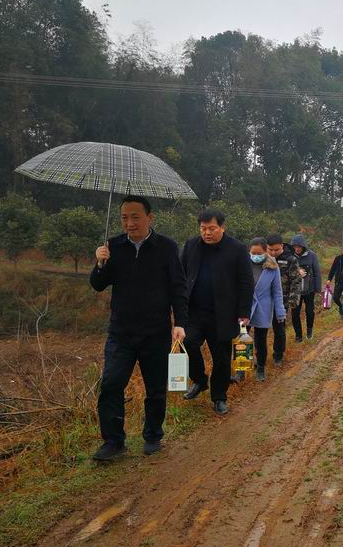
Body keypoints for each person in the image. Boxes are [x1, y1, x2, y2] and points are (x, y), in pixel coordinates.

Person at [89, 195, 187, 461]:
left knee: (155, 387)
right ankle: (113, 441)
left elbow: (178, 287)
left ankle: (153, 435)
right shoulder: (113, 246)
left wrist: (180, 322)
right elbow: (98, 284)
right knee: (111, 383)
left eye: (135, 217)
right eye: (124, 218)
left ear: (149, 217)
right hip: (121, 332)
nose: (129, 223)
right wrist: (99, 263)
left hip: (155, 331)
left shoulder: (166, 247)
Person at [181, 208, 254, 415]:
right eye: (203, 228)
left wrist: (244, 312)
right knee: (187, 343)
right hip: (194, 312)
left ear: (222, 227)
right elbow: (180, 275)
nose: (207, 233)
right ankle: (199, 380)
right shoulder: (191, 245)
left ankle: (219, 397)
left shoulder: (237, 249)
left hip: (224, 314)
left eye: (211, 228)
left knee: (221, 358)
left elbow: (246, 282)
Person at [248, 237, 286, 381]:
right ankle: (241, 369)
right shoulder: (243, 264)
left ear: (265, 252)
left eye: (259, 253)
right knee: (241, 339)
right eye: (253, 253)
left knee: (260, 340)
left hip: (263, 307)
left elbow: (277, 291)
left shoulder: (272, 267)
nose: (255, 256)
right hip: (245, 307)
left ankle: (261, 368)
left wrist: (280, 312)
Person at [266, 234, 300, 365]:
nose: (273, 253)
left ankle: (278, 354)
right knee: (260, 329)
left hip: (282, 300)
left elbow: (295, 281)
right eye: (270, 250)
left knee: (279, 328)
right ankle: (259, 355)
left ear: (281, 246)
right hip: (264, 299)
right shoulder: (264, 257)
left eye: (276, 250)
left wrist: (293, 300)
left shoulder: (290, 259)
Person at [290, 234, 322, 342]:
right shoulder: (290, 255)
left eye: (299, 246)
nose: (297, 248)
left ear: (303, 246)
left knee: (309, 312)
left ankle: (309, 329)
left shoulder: (312, 255)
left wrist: (318, 289)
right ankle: (298, 335)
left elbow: (317, 272)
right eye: (295, 246)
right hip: (295, 290)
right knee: (295, 313)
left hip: (309, 289)